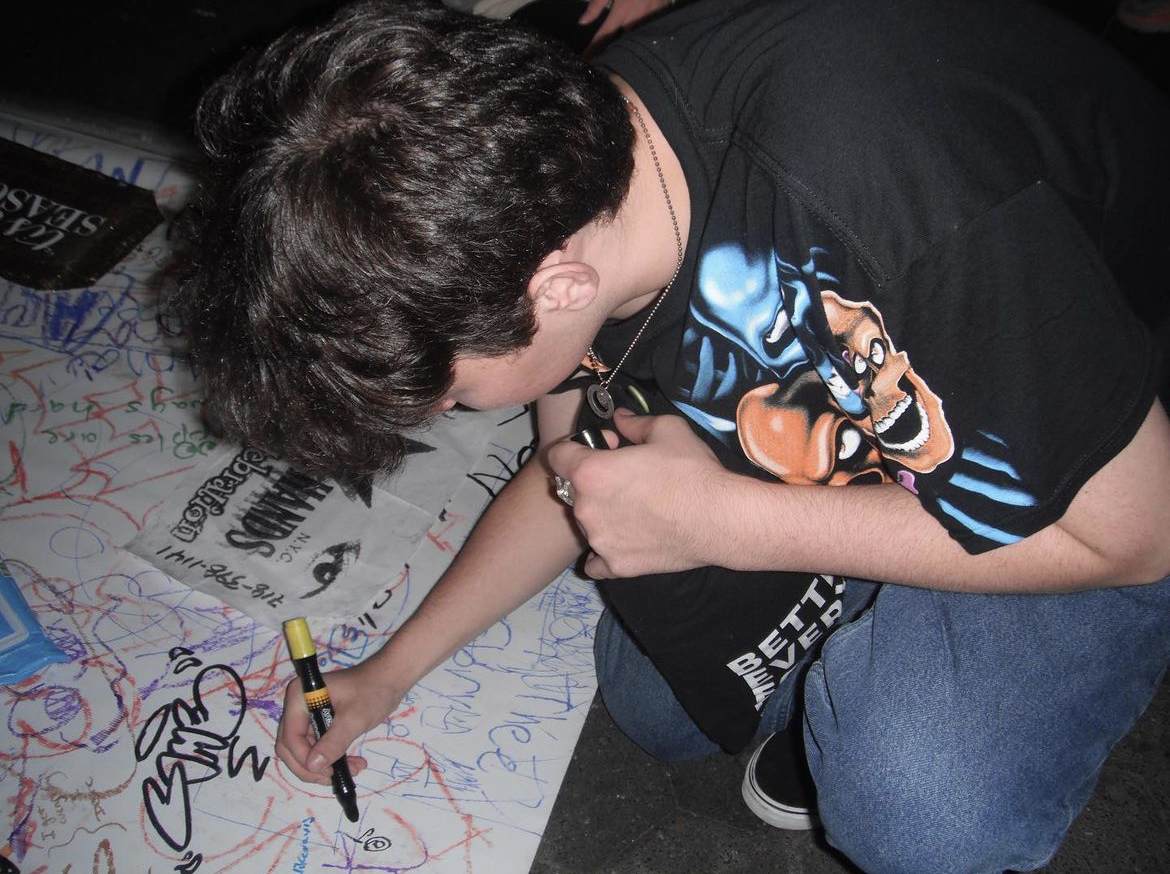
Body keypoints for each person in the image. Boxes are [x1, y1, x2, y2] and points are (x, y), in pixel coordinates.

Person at [177, 0, 1170, 871]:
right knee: (656, 701)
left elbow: (1135, 535)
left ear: (555, 292)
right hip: (886, 342)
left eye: (448, 394)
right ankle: (871, 616)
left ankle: (888, 684)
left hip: (1085, 425)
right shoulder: (559, 174)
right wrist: (388, 672)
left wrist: (735, 523)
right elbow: (573, 472)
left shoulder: (886, 194)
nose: (448, 416)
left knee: (919, 794)